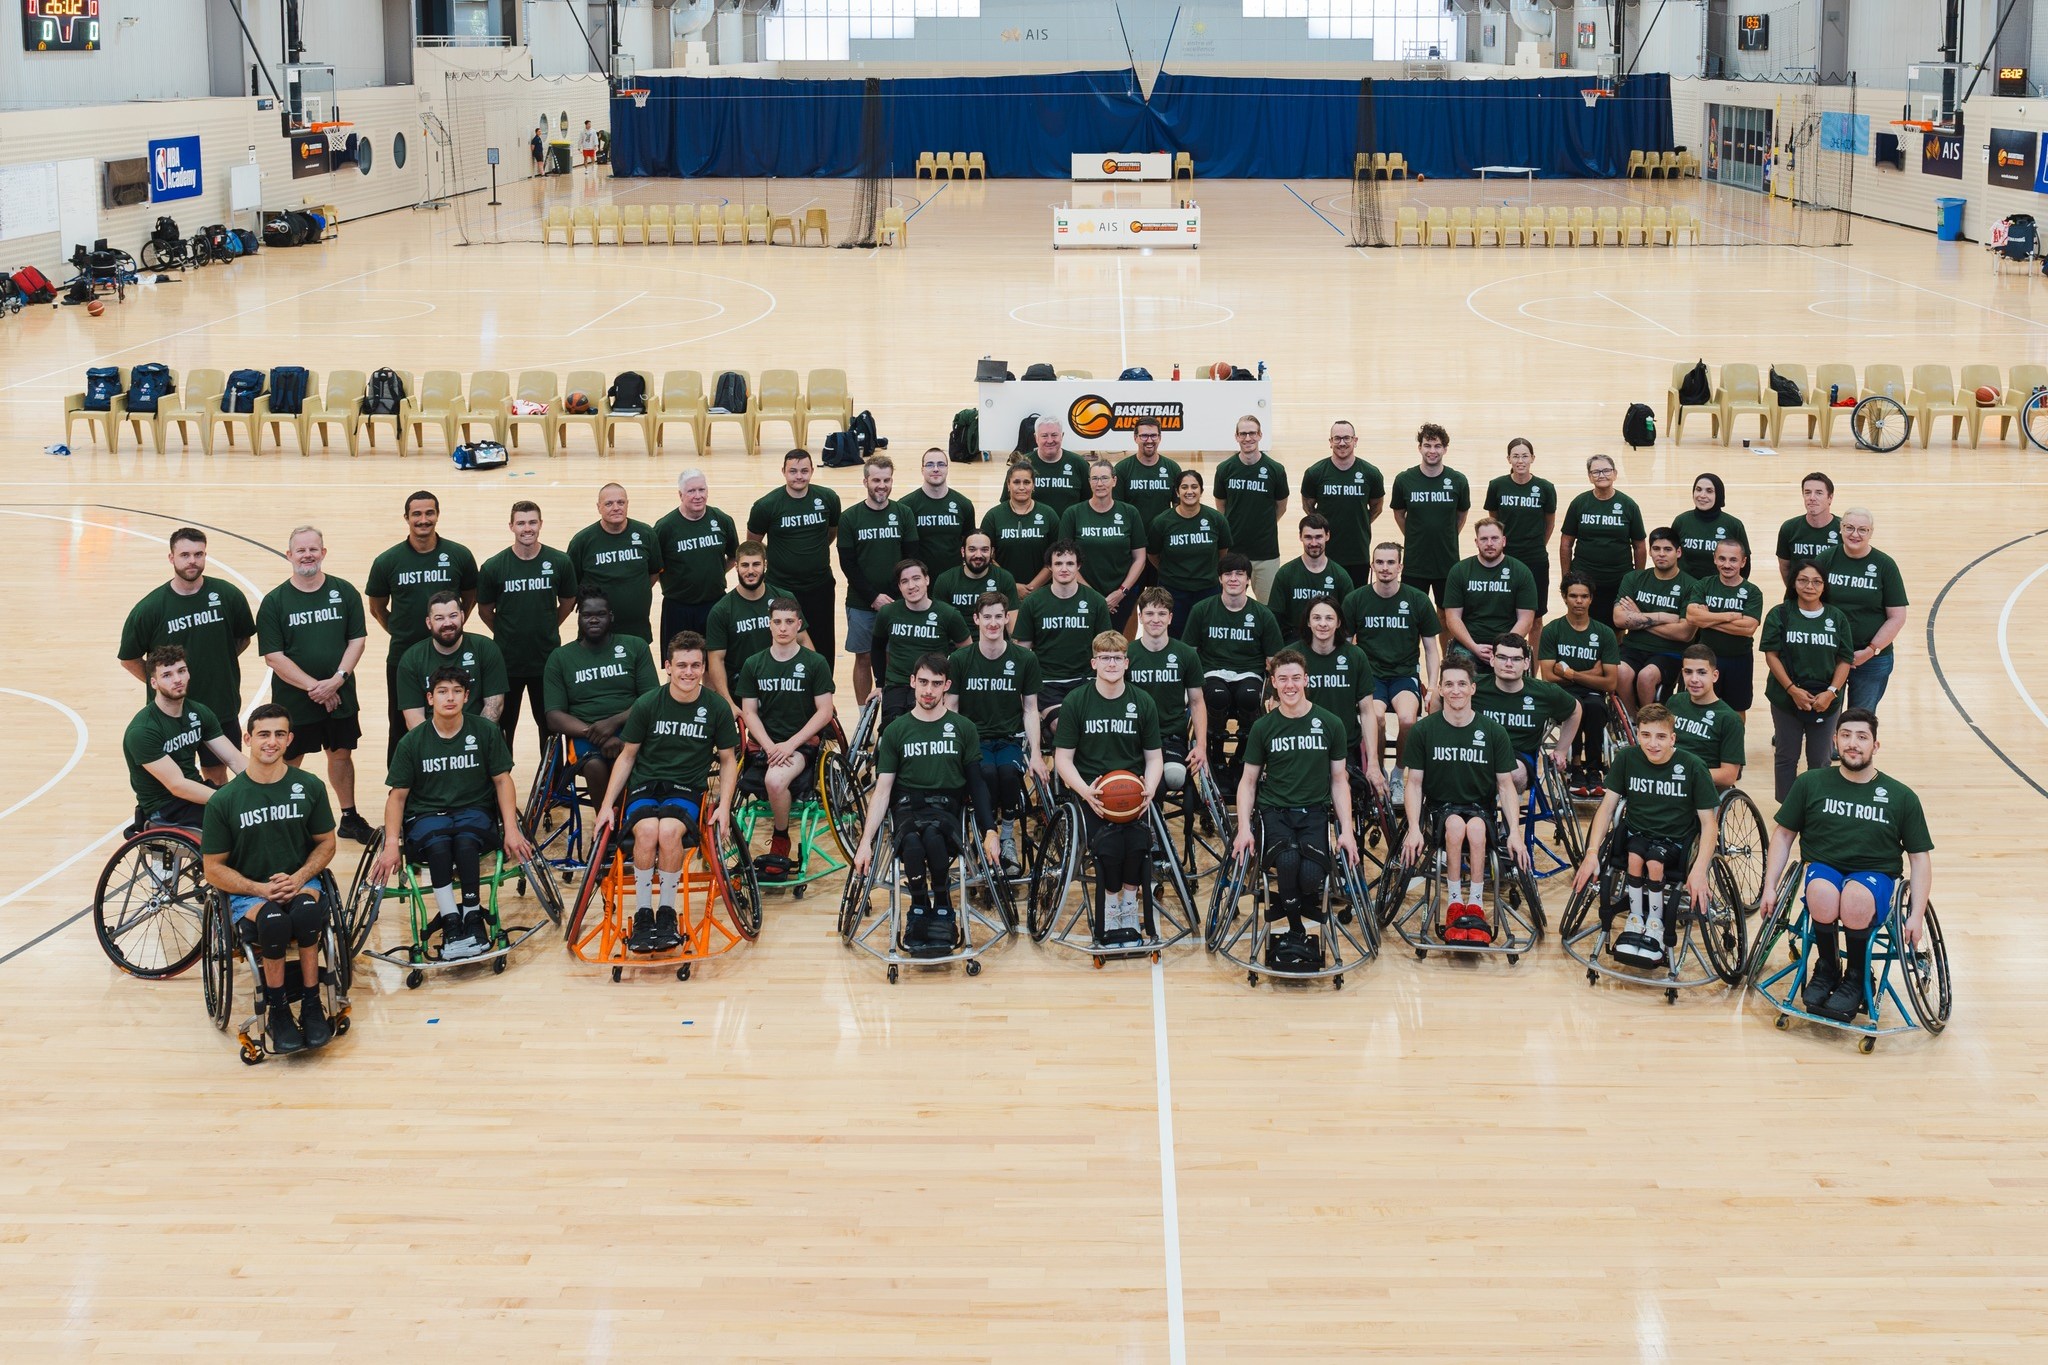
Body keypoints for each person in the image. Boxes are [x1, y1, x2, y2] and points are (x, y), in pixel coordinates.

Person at [1762, 708, 1934, 1022]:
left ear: (1875, 746)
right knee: (1821, 893)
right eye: (1846, 735)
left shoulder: (1901, 796)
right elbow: (1784, 834)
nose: (1852, 743)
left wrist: (1917, 914)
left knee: (1855, 898)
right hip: (1826, 866)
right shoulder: (1811, 783)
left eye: (1861, 737)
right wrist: (1770, 886)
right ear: (1835, 740)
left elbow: (1920, 859)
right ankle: (1827, 966)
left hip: (1875, 875)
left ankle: (1857, 974)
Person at [199, 704, 338, 1054]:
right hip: (250, 892)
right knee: (274, 922)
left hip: (301, 881)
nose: (271, 742)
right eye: (263, 734)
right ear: (247, 739)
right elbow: (212, 868)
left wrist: (301, 875)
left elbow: (327, 842)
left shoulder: (308, 785)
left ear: (290, 739)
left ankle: (310, 1004)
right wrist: (259, 889)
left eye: (279, 734)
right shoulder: (225, 800)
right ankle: (278, 1011)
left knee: (306, 915)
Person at [371, 666, 534, 961]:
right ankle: (450, 920)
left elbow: (502, 780)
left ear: (466, 697)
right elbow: (397, 798)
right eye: (443, 692)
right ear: (430, 699)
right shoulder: (412, 742)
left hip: (473, 811)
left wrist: (511, 828)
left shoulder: (485, 731)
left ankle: (472, 917)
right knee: (439, 845)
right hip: (427, 816)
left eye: (457, 692)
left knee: (466, 842)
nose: (450, 698)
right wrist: (391, 844)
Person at [593, 632, 741, 954]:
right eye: (682, 665)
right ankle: (644, 914)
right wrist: (606, 805)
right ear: (668, 667)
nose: (689, 672)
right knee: (646, 831)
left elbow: (729, 760)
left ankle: (667, 912)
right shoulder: (647, 703)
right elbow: (627, 756)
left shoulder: (715, 707)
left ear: (703, 667)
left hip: (687, 789)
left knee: (669, 832)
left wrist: (725, 807)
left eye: (696, 665)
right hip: (646, 786)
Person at [853, 653, 1001, 955]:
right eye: (923, 682)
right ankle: (919, 908)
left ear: (947, 685)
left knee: (934, 839)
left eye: (936, 683)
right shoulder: (896, 731)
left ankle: (944, 906)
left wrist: (990, 830)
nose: (929, 690)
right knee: (912, 843)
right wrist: (865, 842)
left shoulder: (963, 728)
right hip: (907, 808)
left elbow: (977, 784)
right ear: (912, 683)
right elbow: (882, 792)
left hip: (947, 810)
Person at [1233, 649, 1360, 963]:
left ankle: (1290, 911)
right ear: (1273, 683)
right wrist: (1244, 829)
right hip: (1274, 812)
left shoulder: (1330, 723)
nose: (1289, 685)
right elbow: (1248, 782)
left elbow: (1339, 780)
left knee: (1310, 874)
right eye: (1282, 679)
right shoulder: (1264, 728)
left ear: (1306, 679)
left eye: (1295, 678)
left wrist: (1347, 830)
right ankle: (1294, 930)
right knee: (1287, 862)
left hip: (1314, 813)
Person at [1570, 703, 1719, 968]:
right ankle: (1636, 918)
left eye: (1661, 736)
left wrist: (1700, 869)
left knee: (1654, 862)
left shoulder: (1693, 766)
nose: (1653, 743)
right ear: (1637, 735)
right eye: (1646, 735)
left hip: (1674, 841)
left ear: (1673, 738)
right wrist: (1591, 853)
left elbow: (1709, 825)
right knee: (1634, 858)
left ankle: (1656, 923)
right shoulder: (1627, 758)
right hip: (1638, 834)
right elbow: (1606, 808)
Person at [1397, 653, 1528, 944]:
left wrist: (1515, 833)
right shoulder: (1423, 730)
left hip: (1480, 809)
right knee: (1456, 825)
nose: (1455, 690)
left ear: (1472, 688)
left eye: (1461, 684)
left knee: (1477, 827)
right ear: (1440, 689)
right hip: (1439, 809)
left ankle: (1477, 903)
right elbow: (1414, 784)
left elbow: (1506, 787)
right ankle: (1455, 903)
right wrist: (1414, 829)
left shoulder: (1493, 731)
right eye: (1449, 685)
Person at [257, 526, 371, 841]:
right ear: (289, 555)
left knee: (341, 754)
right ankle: (287, 822)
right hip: (295, 701)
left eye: (313, 549)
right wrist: (317, 688)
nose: (307, 555)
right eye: (301, 550)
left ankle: (348, 816)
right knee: (290, 761)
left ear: (323, 552)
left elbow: (357, 640)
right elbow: (274, 657)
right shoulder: (275, 602)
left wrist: (337, 681)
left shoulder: (344, 591)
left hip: (341, 693)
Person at [1052, 632, 1164, 948]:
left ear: (1127, 663)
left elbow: (1154, 757)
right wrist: (1086, 792)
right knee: (1111, 844)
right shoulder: (1077, 700)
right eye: (1105, 658)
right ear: (1094, 662)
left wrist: (1150, 788)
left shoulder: (1143, 701)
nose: (1111, 663)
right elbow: (1063, 758)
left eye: (1117, 658)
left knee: (1139, 841)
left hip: (1132, 792)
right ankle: (1111, 907)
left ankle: (1130, 905)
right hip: (1093, 793)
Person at [118, 526, 255, 781]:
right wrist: (161, 683)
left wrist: (218, 659)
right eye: (184, 555)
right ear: (171, 558)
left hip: (220, 704)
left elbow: (243, 637)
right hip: (170, 714)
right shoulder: (150, 608)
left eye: (198, 554)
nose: (192, 561)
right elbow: (129, 658)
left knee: (217, 775)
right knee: (176, 777)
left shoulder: (227, 595)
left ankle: (216, 822)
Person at [366, 490, 478, 760]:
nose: (423, 519)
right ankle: (400, 789)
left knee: (454, 719)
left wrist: (448, 632)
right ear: (406, 517)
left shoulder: (459, 555)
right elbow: (377, 608)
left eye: (429, 513)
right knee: (400, 725)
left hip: (450, 656)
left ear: (437, 515)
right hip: (403, 657)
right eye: (417, 514)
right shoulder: (387, 561)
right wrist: (401, 631)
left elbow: (470, 599)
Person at [734, 599, 837, 877]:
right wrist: (769, 746)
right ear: (769, 624)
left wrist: (790, 745)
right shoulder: (754, 664)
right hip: (766, 744)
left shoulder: (815, 663)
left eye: (789, 622)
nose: (783, 627)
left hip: (801, 744)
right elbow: (749, 712)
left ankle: (781, 837)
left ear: (798, 625)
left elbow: (825, 711)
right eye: (777, 621)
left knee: (774, 780)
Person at [948, 593, 1046, 876]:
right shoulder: (960, 658)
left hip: (1009, 737)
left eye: (998, 616)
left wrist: (1037, 754)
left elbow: (1030, 709)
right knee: (986, 774)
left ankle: (1005, 837)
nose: (993, 623)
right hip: (973, 739)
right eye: (986, 617)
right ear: (976, 620)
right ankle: (982, 838)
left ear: (1006, 619)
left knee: (1006, 774)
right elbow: (951, 708)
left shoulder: (1025, 659)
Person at [543, 591, 659, 815]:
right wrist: (596, 733)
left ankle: (629, 821)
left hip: (631, 726)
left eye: (600, 614)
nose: (593, 619)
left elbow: (651, 698)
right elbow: (554, 716)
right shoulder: (560, 658)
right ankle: (606, 830)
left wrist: (614, 723)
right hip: (585, 733)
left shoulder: (635, 647)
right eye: (587, 615)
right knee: (595, 765)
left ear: (611, 617)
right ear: (578, 618)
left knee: (625, 758)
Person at [476, 501, 577, 757]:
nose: (527, 528)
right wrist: (506, 632)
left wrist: (548, 626)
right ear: (511, 526)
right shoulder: (494, 566)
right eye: (521, 523)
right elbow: (484, 610)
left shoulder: (559, 561)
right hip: (506, 662)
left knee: (550, 727)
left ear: (541, 524)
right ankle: (499, 786)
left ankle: (552, 786)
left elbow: (567, 602)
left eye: (532, 522)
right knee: (504, 727)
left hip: (547, 661)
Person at [1185, 552, 1283, 783]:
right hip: (1212, 672)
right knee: (1217, 697)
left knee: (1249, 698)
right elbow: (1188, 653)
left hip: (1248, 673)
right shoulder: (1202, 609)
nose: (1233, 579)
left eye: (1239, 574)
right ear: (1219, 578)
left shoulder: (1262, 614)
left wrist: (1275, 693)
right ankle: (1215, 754)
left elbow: (1275, 659)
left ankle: (1241, 759)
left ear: (1248, 579)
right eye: (1227, 574)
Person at [1342, 541, 1440, 771]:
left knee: (1407, 719)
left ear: (1400, 567)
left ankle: (1398, 771)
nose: (1385, 567)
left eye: (1390, 562)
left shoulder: (1417, 600)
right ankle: (1378, 770)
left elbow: (1431, 648)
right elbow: (1345, 647)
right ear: (1372, 565)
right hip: (1371, 676)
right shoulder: (1356, 600)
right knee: (1375, 719)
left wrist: (1433, 686)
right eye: (1380, 562)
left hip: (1404, 674)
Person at [123, 645, 244, 830]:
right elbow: (177, 785)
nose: (177, 679)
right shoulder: (143, 731)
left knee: (254, 808)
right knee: (240, 820)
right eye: (167, 675)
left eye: (181, 671)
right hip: (166, 807)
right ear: (153, 683)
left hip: (194, 794)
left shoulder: (198, 712)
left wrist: (266, 783)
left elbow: (234, 759)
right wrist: (228, 801)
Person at [1761, 561, 1854, 800]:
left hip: (1826, 700)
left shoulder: (1837, 617)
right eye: (1803, 580)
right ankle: (1787, 809)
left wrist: (1831, 692)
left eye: (1816, 581)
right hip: (1786, 698)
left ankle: (1816, 808)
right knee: (1786, 756)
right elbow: (1771, 655)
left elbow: (1844, 660)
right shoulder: (1780, 613)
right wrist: (1792, 690)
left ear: (1824, 586)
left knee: (1820, 760)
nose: (1809, 586)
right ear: (1793, 582)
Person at [747, 449, 843, 662]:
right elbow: (753, 544)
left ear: (811, 471)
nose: (799, 476)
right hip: (781, 588)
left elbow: (831, 532)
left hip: (820, 586)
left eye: (804, 471)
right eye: (793, 471)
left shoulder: (828, 498)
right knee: (782, 639)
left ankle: (823, 689)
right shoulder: (766, 505)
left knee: (823, 643)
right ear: (783, 472)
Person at [838, 454, 918, 705]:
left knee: (892, 657)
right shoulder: (850, 517)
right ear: (865, 482)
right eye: (876, 480)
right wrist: (873, 597)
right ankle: (864, 718)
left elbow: (911, 558)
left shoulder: (903, 513)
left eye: (886, 480)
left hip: (897, 603)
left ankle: (891, 712)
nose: (881, 485)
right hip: (861, 603)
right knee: (862, 658)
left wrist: (897, 598)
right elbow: (847, 564)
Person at [1012, 541, 1112, 730]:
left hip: (1087, 681)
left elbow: (1106, 648)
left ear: (1078, 566)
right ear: (1049, 567)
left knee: (1092, 726)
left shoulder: (1095, 601)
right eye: (1058, 563)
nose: (1064, 568)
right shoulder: (1033, 602)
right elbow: (1021, 651)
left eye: (1069, 563)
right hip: (1048, 683)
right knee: (1062, 724)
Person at [1816, 508, 1908, 713]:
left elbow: (1897, 617)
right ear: (1840, 529)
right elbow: (1809, 605)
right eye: (1849, 528)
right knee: (1827, 718)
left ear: (1871, 532)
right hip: (1829, 655)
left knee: (1860, 720)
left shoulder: (1885, 565)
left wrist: (1870, 650)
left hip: (1872, 659)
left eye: (1862, 530)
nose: (1855, 534)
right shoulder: (1825, 559)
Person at [1538, 572, 1619, 796]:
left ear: (1591, 598)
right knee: (1574, 707)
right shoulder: (1552, 630)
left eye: (1584, 596)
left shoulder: (1604, 633)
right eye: (1573, 596)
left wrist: (1572, 673)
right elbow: (1548, 676)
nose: (1579, 601)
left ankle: (1594, 768)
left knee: (1593, 707)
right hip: (1562, 694)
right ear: (1564, 597)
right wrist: (1593, 673)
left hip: (1593, 694)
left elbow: (1611, 682)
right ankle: (1575, 767)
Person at [1125, 586, 1208, 803]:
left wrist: (1200, 746)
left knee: (1174, 777)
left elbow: (1197, 703)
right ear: (1140, 617)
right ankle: (1149, 832)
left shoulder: (1186, 654)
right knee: (1154, 787)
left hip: (1171, 736)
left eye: (1162, 614)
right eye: (1150, 613)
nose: (1156, 619)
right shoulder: (1127, 655)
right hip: (1134, 738)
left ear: (1170, 618)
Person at [1473, 634, 1579, 797]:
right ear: (1492, 659)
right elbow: (1440, 695)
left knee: (1513, 773)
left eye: (1516, 659)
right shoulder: (1473, 686)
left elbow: (1575, 710)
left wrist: (1562, 750)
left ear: (1526, 663)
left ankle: (1508, 819)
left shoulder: (1544, 692)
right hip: (1477, 751)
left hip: (1519, 755)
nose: (1508, 664)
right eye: (1502, 657)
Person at [1294, 598, 1384, 789]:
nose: (1323, 624)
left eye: (1329, 618)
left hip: (1344, 746)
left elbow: (1367, 712)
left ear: (1339, 622)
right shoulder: (1293, 656)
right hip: (1303, 745)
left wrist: (1374, 763)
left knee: (1349, 787)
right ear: (1308, 622)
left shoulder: (1355, 656)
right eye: (1317, 618)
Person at [705, 541, 807, 704]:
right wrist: (729, 704)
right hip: (743, 688)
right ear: (736, 566)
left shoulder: (785, 599)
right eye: (745, 565)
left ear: (765, 565)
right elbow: (716, 660)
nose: (750, 571)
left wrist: (817, 688)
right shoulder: (722, 610)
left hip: (784, 682)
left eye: (756, 564)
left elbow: (803, 641)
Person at [873, 560, 970, 727]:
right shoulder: (888, 613)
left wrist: (951, 686)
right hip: (897, 684)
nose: (911, 586)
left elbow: (967, 651)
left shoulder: (948, 614)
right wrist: (879, 685)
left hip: (931, 685)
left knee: (921, 727)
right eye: (905, 581)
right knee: (891, 728)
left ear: (927, 580)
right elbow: (877, 648)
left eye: (916, 578)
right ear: (899, 586)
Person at [1482, 437, 1557, 643]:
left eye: (1525, 456)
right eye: (1516, 456)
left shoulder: (1545, 487)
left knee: (1536, 618)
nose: (1520, 460)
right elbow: (1493, 521)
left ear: (1532, 458)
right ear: (1508, 459)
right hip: (1504, 559)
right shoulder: (1497, 486)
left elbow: (1549, 522)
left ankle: (1532, 670)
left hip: (1535, 559)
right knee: (1503, 614)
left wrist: (1538, 544)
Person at [1387, 422, 1470, 610]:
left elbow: (1461, 514)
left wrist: (1447, 535)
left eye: (1437, 446)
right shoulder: (1404, 480)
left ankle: (1447, 642)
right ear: (1419, 447)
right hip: (1415, 562)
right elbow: (1399, 513)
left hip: (1447, 562)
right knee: (1412, 613)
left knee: (1446, 614)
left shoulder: (1458, 480)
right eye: (1427, 445)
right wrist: (1414, 535)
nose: (1432, 451)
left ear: (1445, 449)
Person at [397, 592, 509, 731]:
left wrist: (477, 739)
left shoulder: (485, 649)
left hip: (478, 737)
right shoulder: (411, 659)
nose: (447, 623)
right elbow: (414, 718)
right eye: (439, 618)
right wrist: (438, 745)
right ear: (428, 622)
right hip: (434, 742)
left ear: (462, 616)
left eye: (453, 616)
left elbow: (494, 706)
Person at [1613, 528, 1696, 711]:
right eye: (1656, 549)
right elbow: (1619, 619)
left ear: (1678, 552)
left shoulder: (1691, 585)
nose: (1661, 554)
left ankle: (1648, 720)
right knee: (1620, 671)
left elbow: (1685, 633)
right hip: (1632, 648)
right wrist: (1662, 617)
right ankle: (1633, 720)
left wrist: (1639, 617)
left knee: (1646, 675)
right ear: (1649, 551)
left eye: (1667, 549)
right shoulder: (1634, 578)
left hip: (1668, 653)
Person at [567, 483, 660, 645]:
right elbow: (571, 584)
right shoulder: (582, 541)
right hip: (595, 631)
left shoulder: (645, 534)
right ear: (598, 507)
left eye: (621, 502)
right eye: (609, 504)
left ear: (627, 504)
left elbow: (653, 573)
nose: (616, 508)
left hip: (637, 629)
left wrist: (633, 592)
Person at [1442, 516, 1538, 675]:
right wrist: (1474, 647)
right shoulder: (1459, 571)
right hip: (1469, 645)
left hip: (1508, 646)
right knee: (1457, 678)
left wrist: (1502, 649)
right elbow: (1452, 618)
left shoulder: (1521, 572)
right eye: (1484, 539)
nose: (1489, 544)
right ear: (1476, 542)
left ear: (1504, 541)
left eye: (1495, 538)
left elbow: (1526, 620)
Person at [653, 470, 738, 647]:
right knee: (678, 664)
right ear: (680, 495)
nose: (698, 496)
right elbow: (654, 566)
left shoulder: (722, 520)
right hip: (677, 608)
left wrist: (714, 571)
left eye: (702, 490)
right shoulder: (665, 527)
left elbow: (734, 556)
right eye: (691, 491)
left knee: (712, 662)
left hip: (714, 604)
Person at [1558, 454, 1644, 629]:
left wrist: (1636, 579)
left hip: (1618, 579)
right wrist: (1566, 577)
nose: (1601, 475)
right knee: (1583, 623)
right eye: (1595, 472)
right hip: (1585, 579)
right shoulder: (1580, 503)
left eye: (1606, 470)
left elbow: (1639, 546)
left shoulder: (1628, 505)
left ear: (1615, 474)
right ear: (1589, 477)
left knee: (1617, 626)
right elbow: (1566, 543)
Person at [1213, 414, 1291, 602]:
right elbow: (1221, 507)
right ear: (1236, 436)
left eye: (1252, 433)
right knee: (1230, 604)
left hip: (1266, 553)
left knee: (1269, 608)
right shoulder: (1225, 469)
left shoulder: (1275, 469)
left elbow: (1281, 506)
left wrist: (1264, 524)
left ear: (1260, 435)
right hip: (1233, 551)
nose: (1248, 438)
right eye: (1243, 434)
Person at [1059, 457, 1148, 622]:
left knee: (1119, 643)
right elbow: (1064, 559)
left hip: (1121, 596)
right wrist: (1093, 595)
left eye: (1104, 478)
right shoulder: (1073, 514)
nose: (1099, 483)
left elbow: (1140, 558)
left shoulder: (1130, 513)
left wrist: (1121, 592)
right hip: (1082, 595)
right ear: (1089, 482)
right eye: (1095, 478)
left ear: (1114, 481)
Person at [1299, 419, 1385, 587]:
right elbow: (1308, 506)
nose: (1342, 443)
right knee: (1324, 604)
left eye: (1347, 438)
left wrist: (1359, 522)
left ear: (1355, 440)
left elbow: (1377, 507)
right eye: (1337, 438)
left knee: (1355, 604)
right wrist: (1321, 528)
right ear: (1330, 442)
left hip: (1358, 553)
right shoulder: (1315, 473)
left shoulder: (1371, 473)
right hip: (1324, 553)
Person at [1682, 539, 1764, 714]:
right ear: (1714, 559)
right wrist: (1728, 616)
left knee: (1737, 710)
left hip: (1739, 660)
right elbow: (1691, 616)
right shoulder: (1704, 584)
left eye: (1733, 560)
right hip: (1706, 659)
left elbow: (1748, 628)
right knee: (1699, 706)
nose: (1727, 565)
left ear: (1743, 562)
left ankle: (1735, 742)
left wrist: (1707, 619)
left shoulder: (1753, 591)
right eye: (1722, 559)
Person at [1149, 467, 1231, 635]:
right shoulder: (1162, 522)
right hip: (1173, 592)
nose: (1189, 491)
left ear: (1201, 490)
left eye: (1194, 487)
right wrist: (1171, 573)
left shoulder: (1216, 519)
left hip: (1208, 589)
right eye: (1184, 487)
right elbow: (1152, 554)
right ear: (1177, 492)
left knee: (1207, 636)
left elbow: (1223, 552)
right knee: (1175, 637)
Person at [1664, 644, 1746, 791]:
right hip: (1667, 781)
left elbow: (1729, 775)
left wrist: (1684, 774)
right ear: (1682, 673)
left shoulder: (1730, 719)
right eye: (1688, 672)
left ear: (1715, 676)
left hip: (1700, 786)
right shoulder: (1674, 702)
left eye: (1702, 673)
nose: (1694, 679)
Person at [1268, 514, 1355, 641]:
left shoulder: (1340, 576)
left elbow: (1348, 620)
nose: (1314, 543)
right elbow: (1275, 617)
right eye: (1308, 537)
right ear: (1300, 537)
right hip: (1294, 640)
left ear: (1327, 536)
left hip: (1328, 641)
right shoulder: (1286, 573)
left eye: (1318, 537)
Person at [981, 461, 1058, 595]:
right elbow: (987, 557)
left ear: (1033, 485)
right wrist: (1012, 586)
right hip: (1003, 592)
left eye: (1027, 482)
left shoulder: (1048, 515)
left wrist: (1032, 588)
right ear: (1008, 485)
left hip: (1042, 593)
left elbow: (1057, 557)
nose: (1021, 487)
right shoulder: (993, 516)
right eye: (1016, 482)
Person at [1113, 418, 1182, 545]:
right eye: (1144, 436)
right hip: (1132, 539)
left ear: (1159, 438)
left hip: (1163, 538)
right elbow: (1116, 508)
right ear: (1135, 438)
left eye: (1153, 436)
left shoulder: (1172, 468)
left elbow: (1178, 507)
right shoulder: (1122, 469)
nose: (1149, 440)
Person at [1669, 472, 1749, 581]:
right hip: (1685, 589)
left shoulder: (1733, 525)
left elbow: (1745, 563)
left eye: (1709, 491)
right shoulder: (1681, 521)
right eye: (1698, 489)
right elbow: (1671, 557)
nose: (1702, 495)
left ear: (1719, 494)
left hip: (1718, 591)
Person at [907, 447, 975, 571]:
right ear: (922, 469)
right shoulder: (907, 506)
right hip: (920, 580)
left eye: (941, 464)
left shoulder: (964, 504)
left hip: (954, 580)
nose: (936, 469)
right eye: (929, 465)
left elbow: (970, 543)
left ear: (947, 468)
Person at [1775, 472, 1842, 595]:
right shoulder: (1789, 528)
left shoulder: (1843, 529)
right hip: (1798, 598)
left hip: (1832, 599)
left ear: (1830, 498)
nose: (1812, 497)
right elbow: (1784, 567)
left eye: (1819, 493)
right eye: (1807, 492)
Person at [933, 531, 1019, 626]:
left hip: (994, 638)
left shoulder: (1004, 578)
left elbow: (1012, 624)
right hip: (956, 640)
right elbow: (939, 623)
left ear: (992, 552)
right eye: (972, 549)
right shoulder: (945, 580)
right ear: (963, 551)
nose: (978, 555)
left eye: (984, 550)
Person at [1023, 417, 1091, 517]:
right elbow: (1008, 501)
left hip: (1070, 529)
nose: (1050, 440)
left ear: (1062, 436)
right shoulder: (1023, 464)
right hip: (1033, 530)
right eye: (1044, 436)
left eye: (1054, 435)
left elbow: (1089, 502)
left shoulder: (1079, 464)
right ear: (1036, 437)